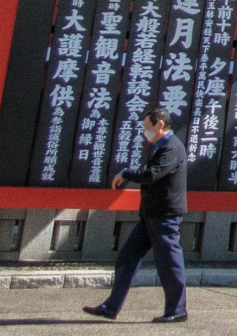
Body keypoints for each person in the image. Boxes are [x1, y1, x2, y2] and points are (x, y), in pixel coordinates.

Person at [85, 107, 189, 322]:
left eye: (147, 127)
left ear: (160, 124)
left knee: (169, 263)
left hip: (165, 215)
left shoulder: (172, 147)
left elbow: (152, 175)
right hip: (150, 215)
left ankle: (177, 311)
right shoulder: (162, 146)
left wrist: (126, 173)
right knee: (127, 257)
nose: (145, 132)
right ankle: (111, 307)